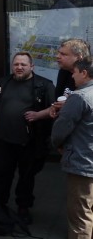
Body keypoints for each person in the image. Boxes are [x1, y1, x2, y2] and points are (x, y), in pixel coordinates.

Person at [0, 52, 54, 224]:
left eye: (23, 64)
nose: (19, 67)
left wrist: (38, 115)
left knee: (26, 177)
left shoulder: (44, 85)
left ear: (32, 67)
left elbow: (54, 110)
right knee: (0, 176)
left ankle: (23, 208)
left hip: (29, 143)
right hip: (3, 140)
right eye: (16, 64)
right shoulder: (3, 82)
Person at [51, 57, 93, 238]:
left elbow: (60, 129)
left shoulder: (79, 97)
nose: (72, 78)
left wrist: (57, 145)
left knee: (80, 216)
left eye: (74, 73)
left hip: (82, 164)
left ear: (84, 73)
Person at [50, 38, 90, 118]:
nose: (58, 56)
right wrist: (54, 107)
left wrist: (70, 105)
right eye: (58, 53)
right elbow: (58, 99)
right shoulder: (64, 71)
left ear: (79, 57)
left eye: (63, 54)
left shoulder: (89, 75)